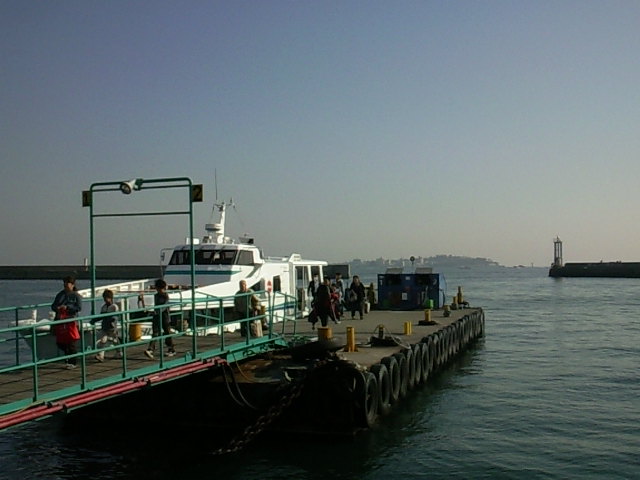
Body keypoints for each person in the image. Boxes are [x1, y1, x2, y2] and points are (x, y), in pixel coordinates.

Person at [51, 275, 83, 369]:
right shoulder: (60, 294)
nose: (65, 285)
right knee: (61, 342)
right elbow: (53, 306)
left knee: (71, 343)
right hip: (60, 321)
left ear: (72, 285)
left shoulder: (76, 295)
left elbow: (79, 307)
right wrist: (57, 308)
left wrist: (68, 307)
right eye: (64, 283)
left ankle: (73, 362)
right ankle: (68, 357)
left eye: (67, 283)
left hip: (71, 321)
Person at [144, 279, 175, 359]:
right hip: (157, 316)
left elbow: (164, 306)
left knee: (167, 332)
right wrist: (155, 312)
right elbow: (157, 306)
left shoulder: (165, 296)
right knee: (155, 332)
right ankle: (150, 349)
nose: (157, 290)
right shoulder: (156, 296)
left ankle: (171, 349)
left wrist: (157, 311)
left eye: (158, 288)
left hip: (165, 316)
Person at [92, 289, 121, 362]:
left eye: (106, 298)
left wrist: (113, 323)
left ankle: (119, 352)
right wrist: (94, 320)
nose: (105, 299)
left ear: (110, 298)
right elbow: (101, 316)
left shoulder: (114, 307)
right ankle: (100, 355)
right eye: (104, 298)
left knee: (115, 340)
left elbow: (115, 317)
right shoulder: (104, 307)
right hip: (105, 327)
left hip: (112, 327)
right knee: (103, 340)